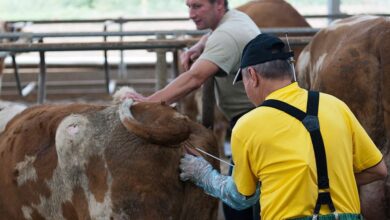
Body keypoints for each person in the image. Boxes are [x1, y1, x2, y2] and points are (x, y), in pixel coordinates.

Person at [178, 33, 388, 220]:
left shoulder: (248, 125)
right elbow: (378, 170)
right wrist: (326, 181)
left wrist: (203, 174)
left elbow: (242, 197)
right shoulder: (336, 106)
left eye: (243, 81)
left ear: (252, 75)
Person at [126, 1, 260, 219]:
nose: (190, 14)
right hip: (256, 117)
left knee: (239, 203)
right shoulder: (235, 19)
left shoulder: (226, 35)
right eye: (188, 6)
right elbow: (216, 34)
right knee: (244, 198)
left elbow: (194, 78)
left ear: (218, 5)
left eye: (197, 6)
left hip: (252, 122)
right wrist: (200, 45)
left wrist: (147, 103)